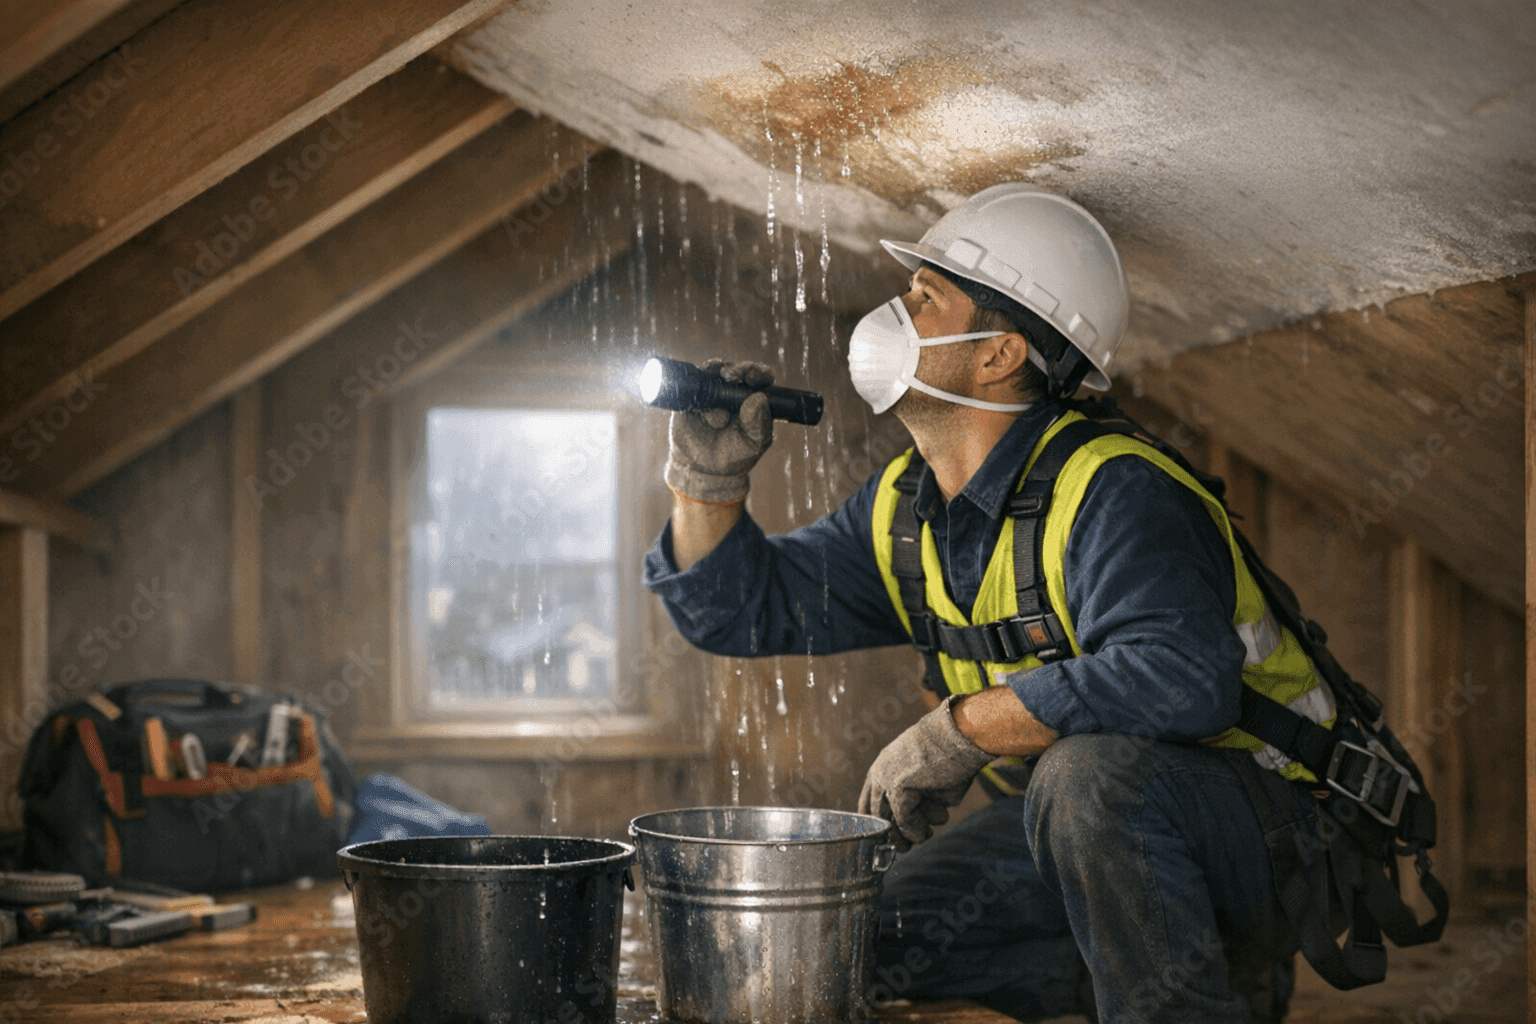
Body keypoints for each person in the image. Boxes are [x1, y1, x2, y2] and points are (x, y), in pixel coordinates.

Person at [643, 184, 1327, 1023]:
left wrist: (957, 731)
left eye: (925, 298)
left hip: (1262, 830)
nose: (894, 313)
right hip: (1069, 831)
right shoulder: (905, 507)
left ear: (999, 355)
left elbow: (1183, 679)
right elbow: (742, 611)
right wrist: (705, 482)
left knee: (1085, 778)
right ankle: (1205, 980)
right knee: (863, 938)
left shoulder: (1117, 492)